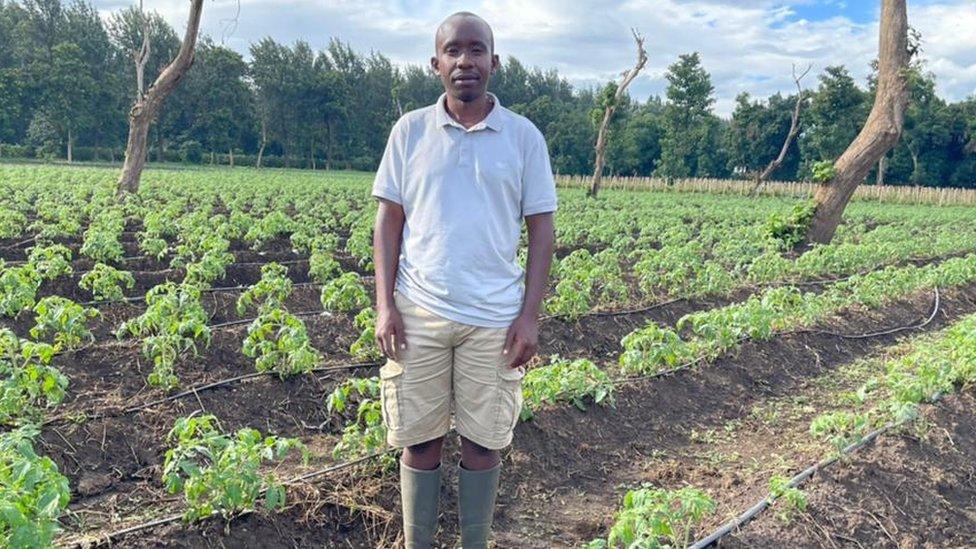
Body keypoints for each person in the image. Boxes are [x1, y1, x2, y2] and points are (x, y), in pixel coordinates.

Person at [370, 10, 557, 548]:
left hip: (494, 323)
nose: (465, 61)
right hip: (418, 314)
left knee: (483, 444)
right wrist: (385, 305)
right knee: (420, 442)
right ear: (436, 64)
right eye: (454, 51)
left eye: (476, 50)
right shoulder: (409, 132)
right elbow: (389, 222)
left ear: (494, 62)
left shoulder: (523, 138)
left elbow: (542, 230)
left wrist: (528, 316)